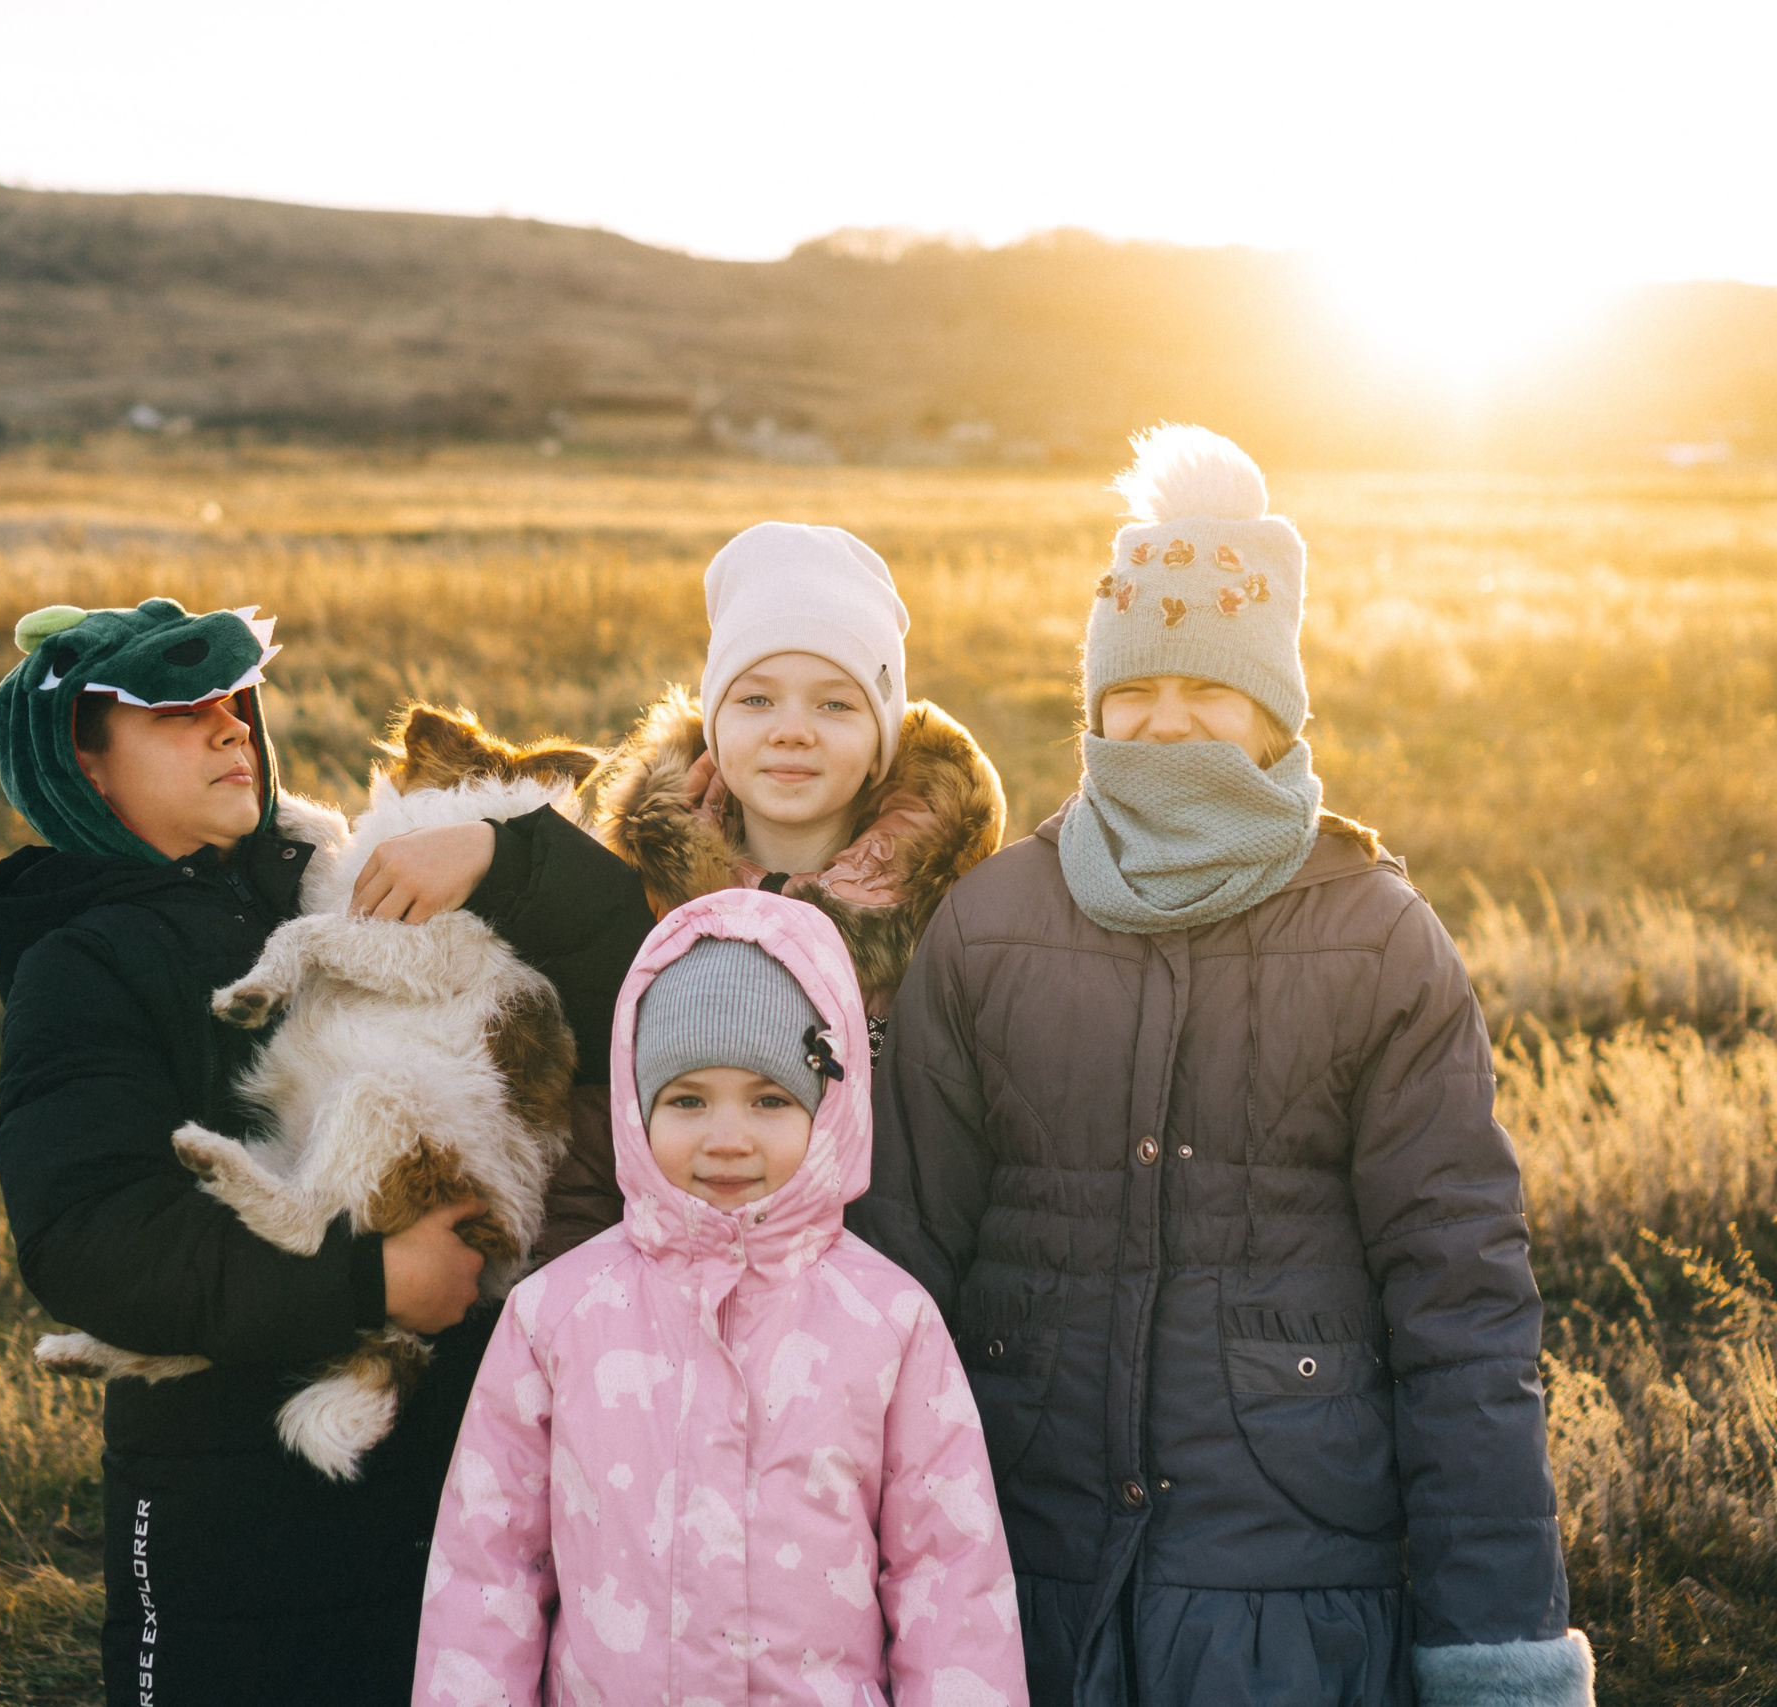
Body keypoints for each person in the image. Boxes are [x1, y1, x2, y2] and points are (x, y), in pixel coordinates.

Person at [849, 428, 1593, 1707]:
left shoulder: (1375, 937)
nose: (1164, 723)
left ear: (1273, 710)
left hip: (1293, 1606)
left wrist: (1493, 1645)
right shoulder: (991, 921)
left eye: (1206, 689)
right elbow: (901, 1267)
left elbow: (1461, 1306)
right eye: (1130, 694)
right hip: (1023, 1586)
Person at [0, 597, 653, 1705]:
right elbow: (90, 1241)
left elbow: (630, 977)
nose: (229, 729)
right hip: (230, 1505)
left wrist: (498, 850)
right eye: (175, 716)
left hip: (448, 1472)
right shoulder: (83, 967)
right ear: (82, 764)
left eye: (234, 705)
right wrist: (368, 1280)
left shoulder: (330, 878)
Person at [415, 888, 1030, 1707]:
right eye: (688, 1099)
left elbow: (949, 1577)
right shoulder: (556, 1313)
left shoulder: (889, 1320)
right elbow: (487, 1568)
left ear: (829, 1103)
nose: (728, 1136)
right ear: (638, 1107)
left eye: (770, 1099)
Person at [539, 522, 1007, 1256]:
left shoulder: (946, 915)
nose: (792, 730)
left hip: (874, 1297)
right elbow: (595, 1135)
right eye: (755, 700)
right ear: (715, 721)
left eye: (835, 704)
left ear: (882, 735)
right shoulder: (640, 899)